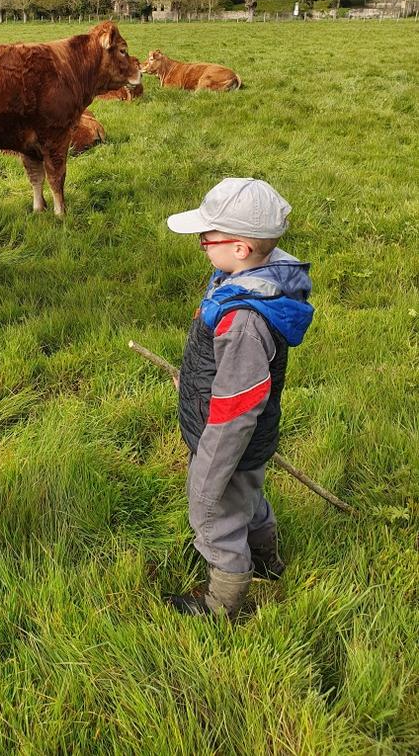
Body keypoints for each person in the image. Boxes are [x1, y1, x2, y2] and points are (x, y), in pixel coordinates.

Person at [164, 177, 314, 618]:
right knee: (248, 498)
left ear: (241, 248)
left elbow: (236, 408)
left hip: (228, 442)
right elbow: (228, 375)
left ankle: (224, 604)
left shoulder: (245, 320)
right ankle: (268, 561)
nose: (203, 244)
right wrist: (193, 383)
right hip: (248, 441)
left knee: (217, 517)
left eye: (206, 238)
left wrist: (208, 474)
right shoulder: (248, 280)